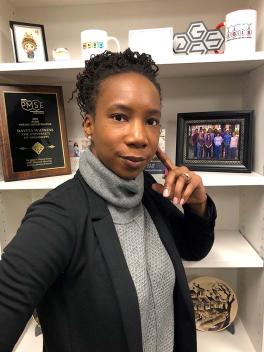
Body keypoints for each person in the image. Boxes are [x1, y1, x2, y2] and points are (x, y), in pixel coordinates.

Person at [0, 48, 216, 352]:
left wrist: (198, 205)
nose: (140, 136)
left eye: (151, 120)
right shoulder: (57, 216)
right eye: (119, 117)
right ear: (89, 125)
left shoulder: (149, 192)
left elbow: (195, 248)